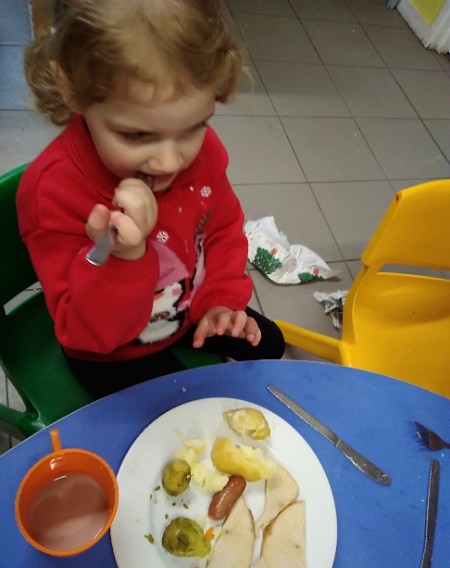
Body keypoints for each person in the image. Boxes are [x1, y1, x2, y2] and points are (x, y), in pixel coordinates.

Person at [17, 0, 285, 399]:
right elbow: (87, 334)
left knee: (269, 342)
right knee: (178, 406)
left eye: (194, 126)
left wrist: (219, 301)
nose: (170, 162)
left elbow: (221, 227)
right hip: (111, 348)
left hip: (186, 309)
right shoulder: (52, 191)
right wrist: (123, 258)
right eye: (137, 135)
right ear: (71, 87)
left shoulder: (201, 153)